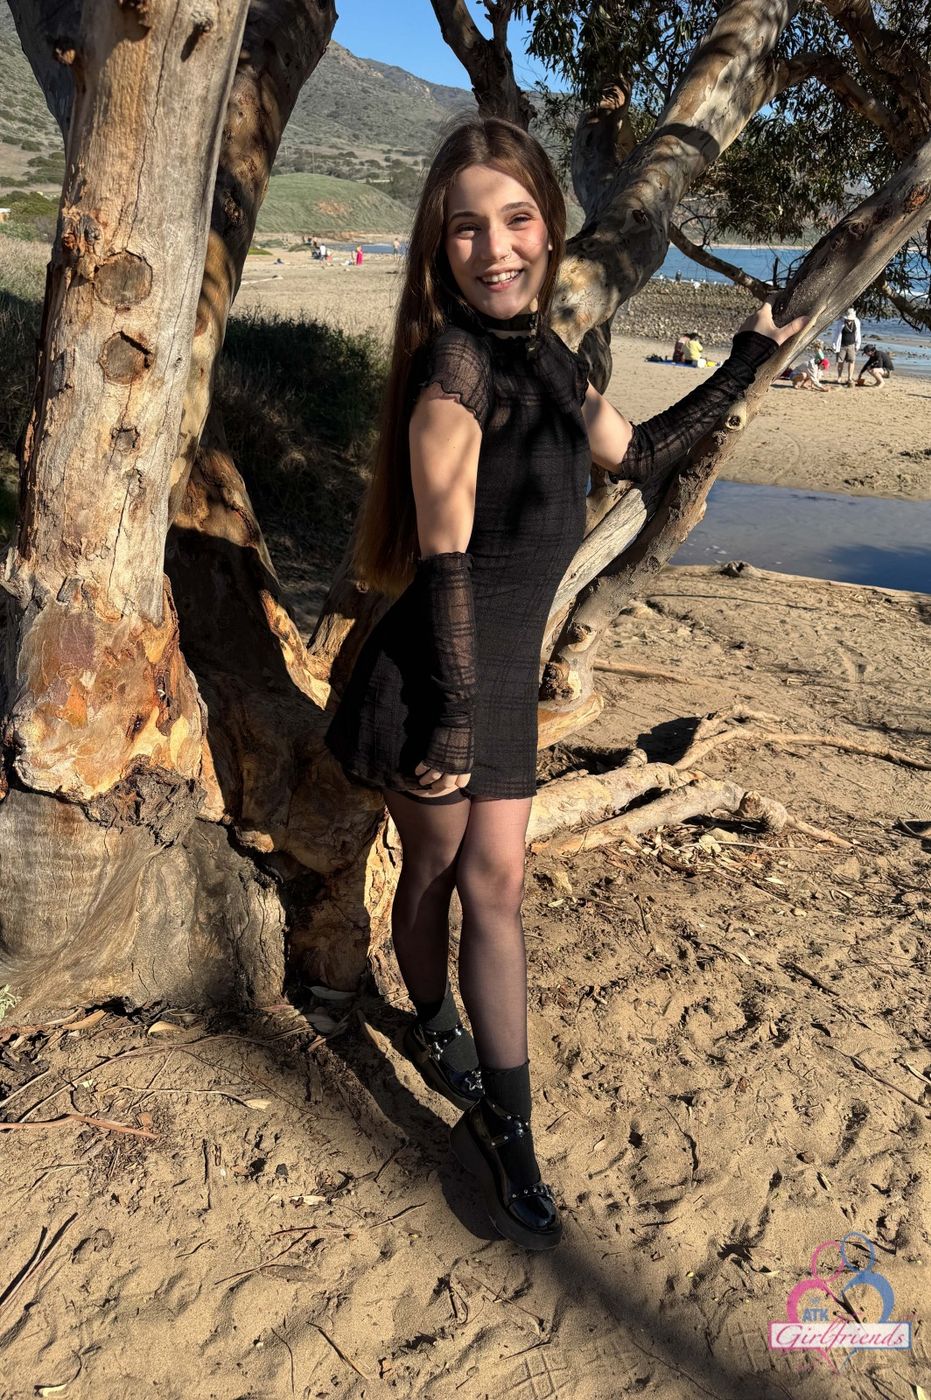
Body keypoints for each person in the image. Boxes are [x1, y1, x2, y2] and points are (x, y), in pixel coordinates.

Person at [324, 117, 805, 1251]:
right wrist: (452, 721)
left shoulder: (546, 357)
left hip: (488, 687)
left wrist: (747, 360)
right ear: (438, 247)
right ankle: (431, 1017)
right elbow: (445, 565)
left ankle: (509, 1124)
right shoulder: (452, 376)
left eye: (516, 220)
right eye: (466, 229)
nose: (494, 248)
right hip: (429, 681)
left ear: (549, 226)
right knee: (436, 869)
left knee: (494, 887)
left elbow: (638, 455)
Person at [833, 306, 861, 386]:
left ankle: (850, 377)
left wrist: (858, 345)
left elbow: (858, 334)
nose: (849, 320)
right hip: (841, 345)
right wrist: (834, 344)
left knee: (852, 361)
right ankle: (839, 377)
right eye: (848, 319)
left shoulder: (856, 322)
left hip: (852, 345)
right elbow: (836, 334)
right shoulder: (840, 322)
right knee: (840, 362)